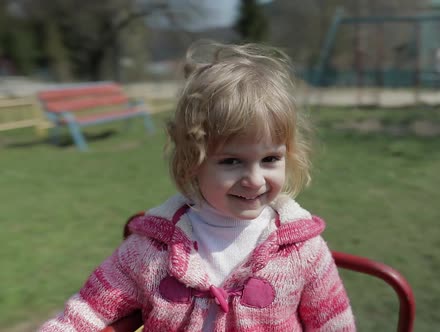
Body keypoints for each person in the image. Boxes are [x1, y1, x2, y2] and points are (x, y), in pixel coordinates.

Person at [40, 42, 356, 331]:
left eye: (270, 158)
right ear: (193, 161)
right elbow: (91, 306)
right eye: (231, 161)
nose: (255, 179)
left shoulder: (303, 250)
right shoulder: (152, 249)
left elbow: (334, 322)